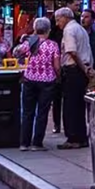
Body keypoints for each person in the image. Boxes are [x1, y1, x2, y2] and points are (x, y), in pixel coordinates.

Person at [18, 17, 61, 151]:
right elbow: (57, 66)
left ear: (36, 29)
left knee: (27, 112)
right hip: (47, 81)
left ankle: (24, 143)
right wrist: (58, 77)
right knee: (42, 112)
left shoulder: (29, 42)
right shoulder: (53, 45)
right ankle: (37, 143)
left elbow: (17, 53)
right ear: (48, 30)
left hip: (29, 80)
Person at [54, 7, 93, 149]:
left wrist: (83, 68)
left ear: (65, 17)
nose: (58, 24)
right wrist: (89, 68)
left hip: (73, 70)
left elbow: (72, 52)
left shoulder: (69, 30)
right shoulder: (81, 29)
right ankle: (82, 137)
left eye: (58, 20)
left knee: (71, 106)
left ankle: (73, 138)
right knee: (79, 105)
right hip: (82, 69)